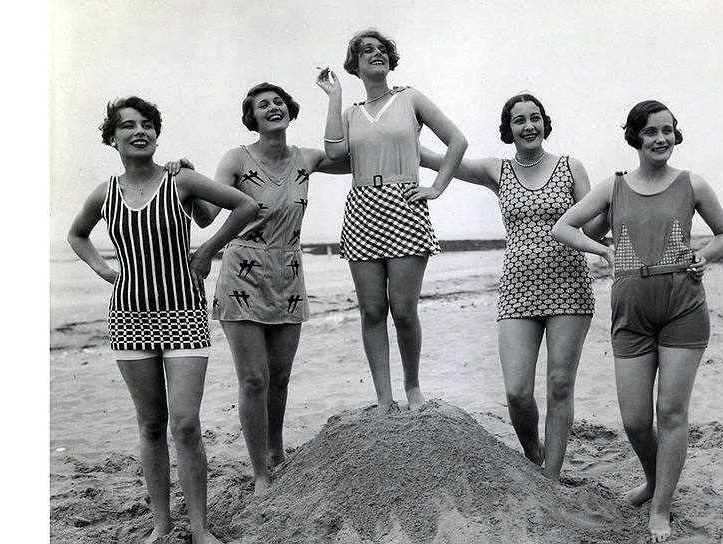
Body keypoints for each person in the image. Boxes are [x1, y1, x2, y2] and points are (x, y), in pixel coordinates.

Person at [67, 96, 258, 544]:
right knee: (151, 424)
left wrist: (207, 251)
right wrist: (104, 271)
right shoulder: (105, 193)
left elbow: (246, 206)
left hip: (184, 313)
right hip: (129, 316)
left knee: (185, 423)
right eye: (128, 125)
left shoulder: (181, 180)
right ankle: (160, 526)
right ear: (112, 138)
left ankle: (200, 529)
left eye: (147, 124)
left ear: (156, 133)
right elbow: (76, 234)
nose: (140, 131)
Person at [552, 100, 723, 542]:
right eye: (651, 131)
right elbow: (563, 227)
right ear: (635, 137)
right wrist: (603, 249)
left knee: (670, 411)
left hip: (683, 307)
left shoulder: (692, 184)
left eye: (667, 130)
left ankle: (661, 506)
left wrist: (704, 255)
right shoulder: (613, 187)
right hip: (630, 311)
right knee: (635, 420)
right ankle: (654, 480)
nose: (661, 138)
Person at [421, 93, 606, 481]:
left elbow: (591, 228)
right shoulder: (497, 170)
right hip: (517, 288)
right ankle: (533, 456)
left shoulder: (571, 167)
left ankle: (550, 478)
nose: (529, 126)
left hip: (569, 285)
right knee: (517, 392)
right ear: (508, 129)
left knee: (559, 384)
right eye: (519, 120)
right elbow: (438, 160)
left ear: (544, 122)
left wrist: (615, 207)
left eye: (535, 118)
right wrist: (400, 136)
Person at [179, 82, 351, 494]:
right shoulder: (237, 158)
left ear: (289, 110)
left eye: (278, 102)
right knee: (254, 379)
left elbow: (344, 155)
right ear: (251, 118)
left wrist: (334, 98)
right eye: (263, 105)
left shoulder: (306, 158)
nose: (273, 107)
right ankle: (260, 472)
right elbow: (206, 216)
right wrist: (188, 176)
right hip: (243, 273)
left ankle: (276, 453)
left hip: (288, 272)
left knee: (281, 376)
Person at [316, 29, 468, 413]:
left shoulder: (409, 98)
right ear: (354, 64)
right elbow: (333, 152)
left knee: (402, 309)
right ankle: (384, 399)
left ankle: (412, 387)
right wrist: (334, 97)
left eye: (382, 49)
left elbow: (457, 141)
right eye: (367, 50)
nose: (377, 53)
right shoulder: (351, 113)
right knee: (371, 311)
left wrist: (436, 188)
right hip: (362, 206)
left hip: (404, 203)